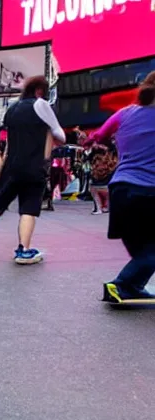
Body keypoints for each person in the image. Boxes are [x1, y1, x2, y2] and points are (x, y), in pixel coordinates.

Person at [0, 76, 66, 264]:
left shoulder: (11, 110)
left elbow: (9, 143)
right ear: (40, 91)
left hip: (12, 166)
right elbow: (59, 134)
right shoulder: (41, 105)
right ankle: (23, 250)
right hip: (34, 166)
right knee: (29, 207)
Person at [85, 78, 155, 302]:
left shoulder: (124, 113)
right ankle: (121, 284)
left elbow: (98, 136)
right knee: (150, 252)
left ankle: (133, 286)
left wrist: (91, 140)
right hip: (149, 191)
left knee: (144, 251)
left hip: (120, 190)